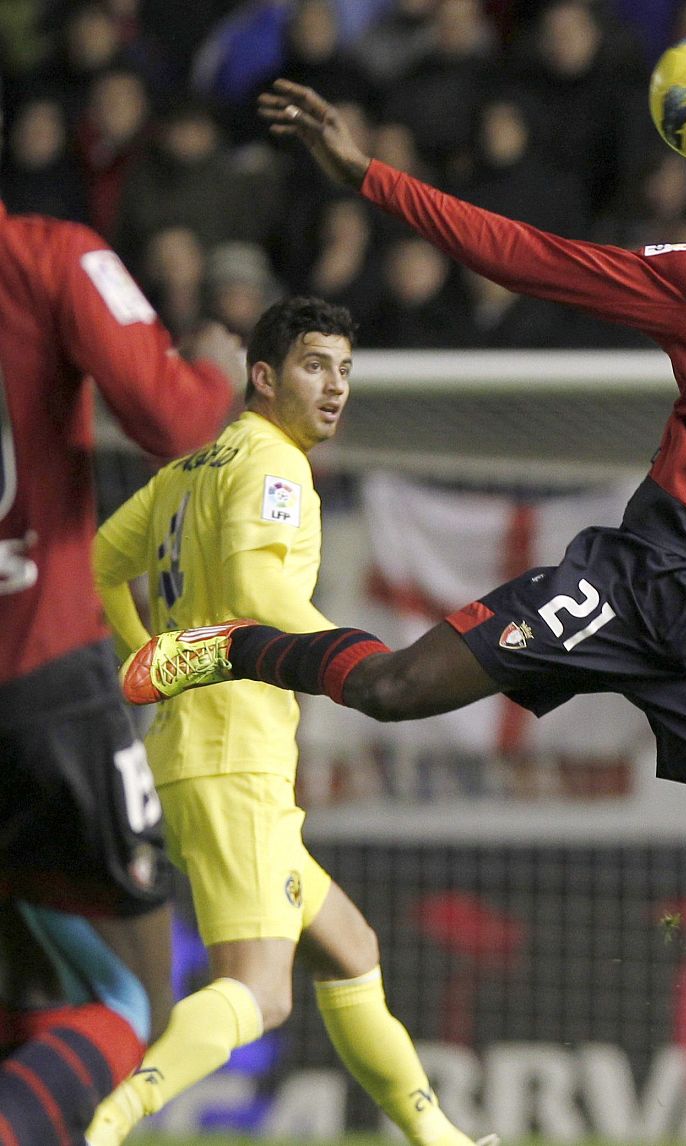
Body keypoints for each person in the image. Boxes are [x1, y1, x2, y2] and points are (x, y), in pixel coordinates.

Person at [117, 77, 686, 1146]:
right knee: (391, 690)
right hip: (627, 585)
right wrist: (367, 176)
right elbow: (523, 255)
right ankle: (241, 647)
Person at [85, 298, 491, 1146]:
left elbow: (100, 562)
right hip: (234, 758)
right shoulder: (274, 463)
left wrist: (152, 662)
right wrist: (366, 662)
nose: (336, 387)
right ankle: (103, 1122)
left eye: (345, 369)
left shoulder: (187, 467)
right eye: (314, 366)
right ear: (262, 377)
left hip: (200, 750)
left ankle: (442, 1140)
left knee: (350, 944)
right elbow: (263, 593)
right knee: (262, 991)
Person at [0, 91, 238, 1144]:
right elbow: (171, 420)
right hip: (41, 673)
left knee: (26, 987)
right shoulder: (47, 254)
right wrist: (218, 371)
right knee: (133, 1002)